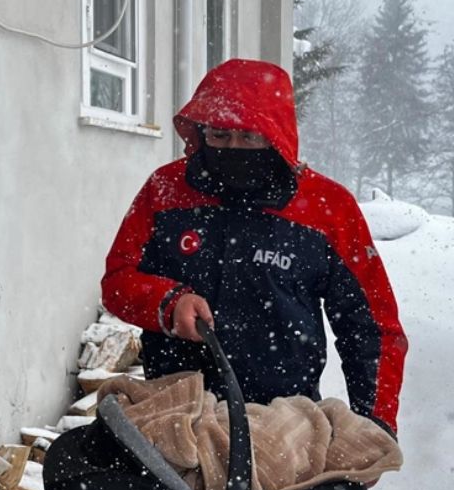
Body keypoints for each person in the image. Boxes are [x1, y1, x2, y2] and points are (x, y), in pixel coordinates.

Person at [101, 58, 407, 436]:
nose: (234, 148)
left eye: (249, 136)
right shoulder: (165, 190)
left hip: (284, 425)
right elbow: (118, 280)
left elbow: (372, 328)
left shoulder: (329, 208)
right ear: (201, 132)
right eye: (220, 135)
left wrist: (374, 425)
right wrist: (168, 301)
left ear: (276, 135)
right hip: (176, 415)